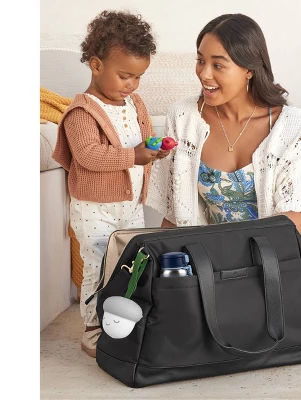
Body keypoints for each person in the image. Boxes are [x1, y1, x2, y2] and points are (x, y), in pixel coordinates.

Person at [146, 13, 301, 362]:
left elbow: (291, 229)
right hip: (227, 268)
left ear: (249, 69)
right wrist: (158, 275)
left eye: (218, 65)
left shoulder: (292, 125)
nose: (204, 74)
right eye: (200, 61)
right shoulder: (183, 118)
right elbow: (175, 214)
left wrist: (237, 281)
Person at [52, 10, 169, 358]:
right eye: (124, 75)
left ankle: (122, 322)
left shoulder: (135, 103)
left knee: (130, 264)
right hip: (95, 208)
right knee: (98, 263)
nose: (132, 84)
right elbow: (89, 155)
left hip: (130, 205)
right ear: (96, 65)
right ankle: (93, 326)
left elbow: (143, 139)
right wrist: (135, 156)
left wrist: (155, 148)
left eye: (138, 77)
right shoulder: (81, 112)